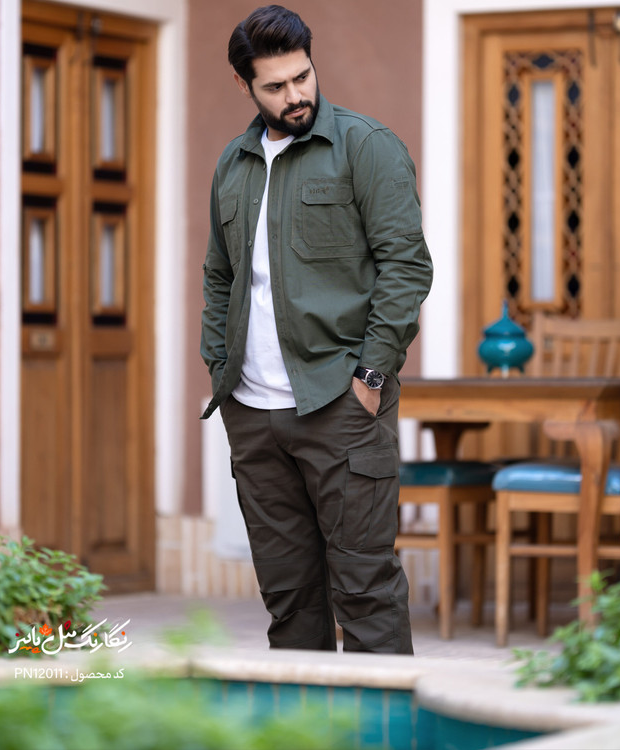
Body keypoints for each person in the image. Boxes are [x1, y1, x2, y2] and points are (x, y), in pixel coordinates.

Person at [201, 4, 433, 654]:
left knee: (365, 592)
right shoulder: (233, 165)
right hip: (253, 415)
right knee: (289, 600)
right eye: (275, 86)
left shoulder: (365, 146)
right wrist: (220, 368)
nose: (295, 95)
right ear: (244, 84)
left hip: (340, 404)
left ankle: (380, 714)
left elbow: (406, 266)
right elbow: (219, 276)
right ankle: (305, 714)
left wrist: (371, 376)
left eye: (302, 76)